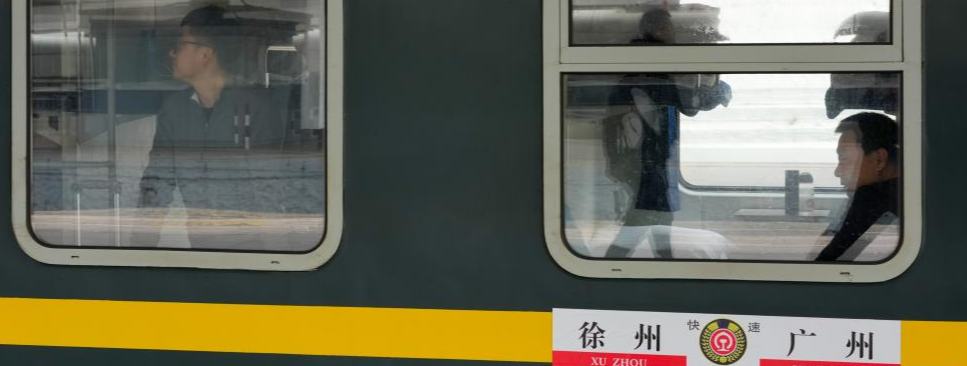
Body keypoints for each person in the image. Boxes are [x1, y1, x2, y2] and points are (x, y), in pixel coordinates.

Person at [136, 4, 292, 250]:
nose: (172, 53)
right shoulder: (174, 109)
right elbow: (157, 182)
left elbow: (269, 187)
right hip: (199, 244)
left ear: (206, 54)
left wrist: (278, 254)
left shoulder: (255, 107)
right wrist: (141, 246)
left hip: (252, 248)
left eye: (180, 46)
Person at [602, 7, 730, 258]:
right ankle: (615, 262)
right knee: (647, 216)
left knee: (656, 216)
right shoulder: (653, 72)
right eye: (669, 28)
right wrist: (720, 89)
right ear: (658, 30)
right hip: (646, 162)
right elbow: (691, 105)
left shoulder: (638, 69)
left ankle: (660, 262)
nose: (673, 34)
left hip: (641, 161)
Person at [815, 112, 899, 261]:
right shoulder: (903, 196)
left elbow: (827, 262)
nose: (837, 172)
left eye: (844, 159)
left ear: (879, 160)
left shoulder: (873, 198)